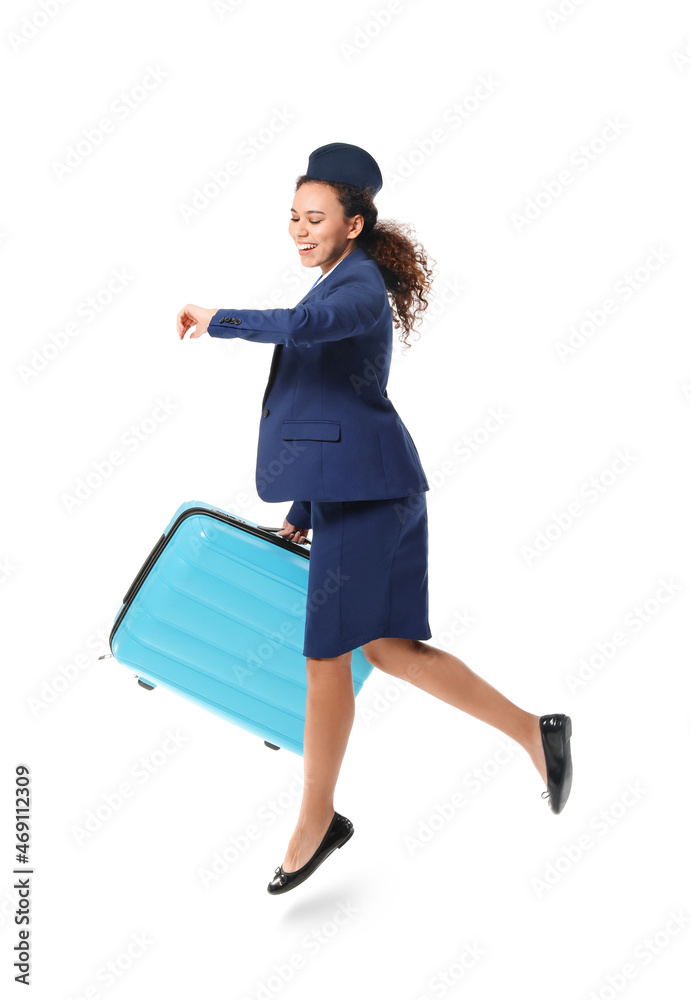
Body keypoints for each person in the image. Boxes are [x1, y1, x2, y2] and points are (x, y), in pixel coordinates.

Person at [176, 142, 573, 895]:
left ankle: (316, 819)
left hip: (370, 497)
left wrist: (217, 317)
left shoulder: (355, 289)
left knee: (326, 655)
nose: (299, 229)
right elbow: (330, 407)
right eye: (292, 216)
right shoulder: (337, 280)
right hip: (367, 490)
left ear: (353, 224)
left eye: (315, 218)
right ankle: (534, 730)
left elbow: (307, 330)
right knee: (386, 648)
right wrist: (302, 509)